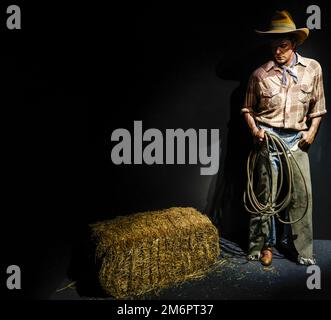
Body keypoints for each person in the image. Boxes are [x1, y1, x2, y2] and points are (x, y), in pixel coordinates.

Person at [241, 10, 327, 266]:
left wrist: (311, 133)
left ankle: (303, 250)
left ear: (294, 44)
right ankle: (262, 245)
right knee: (264, 195)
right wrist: (256, 131)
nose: (277, 51)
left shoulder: (312, 69)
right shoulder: (260, 74)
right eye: (274, 46)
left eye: (283, 45)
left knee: (301, 196)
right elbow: (247, 109)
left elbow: (318, 109)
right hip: (268, 138)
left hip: (296, 140)